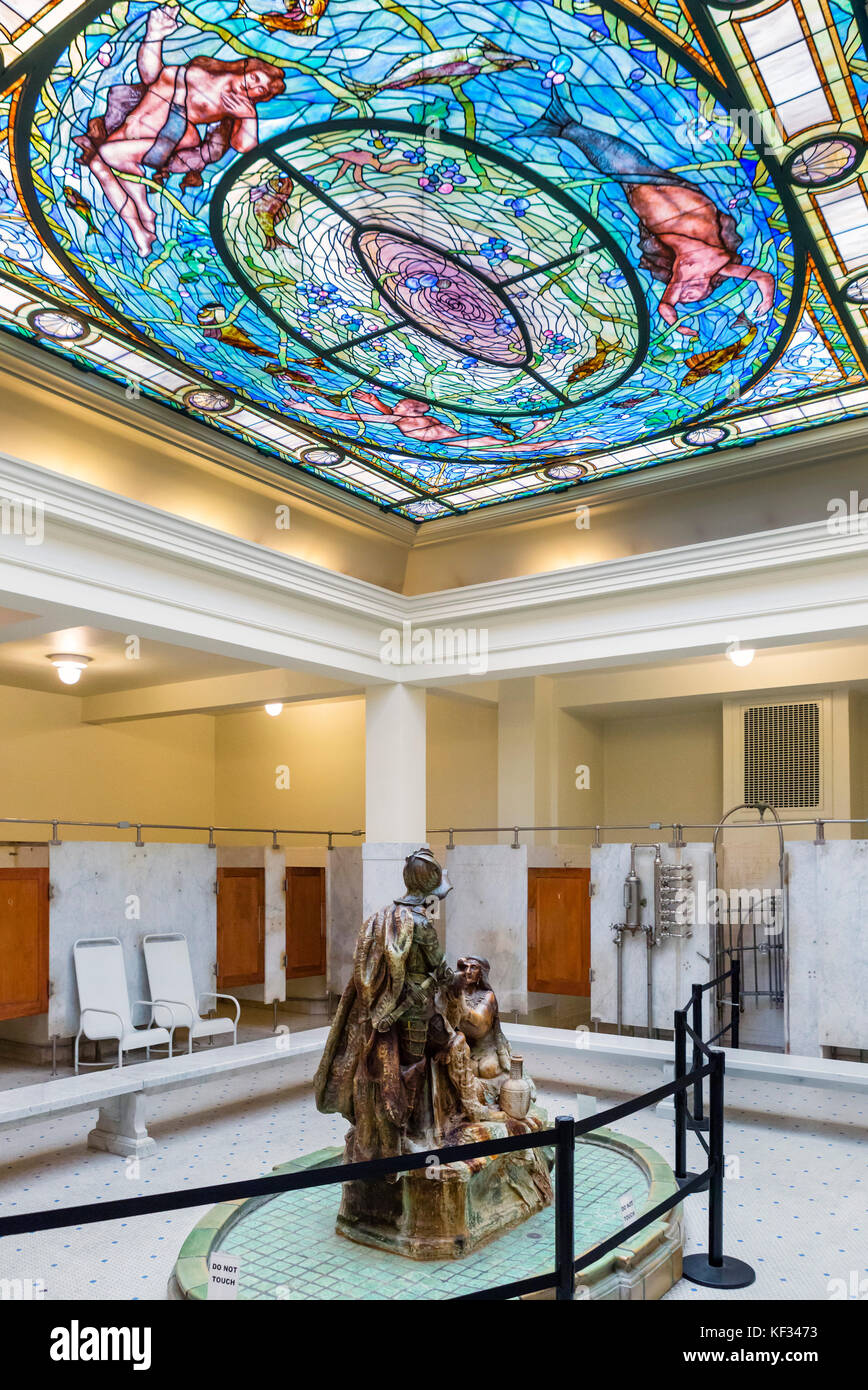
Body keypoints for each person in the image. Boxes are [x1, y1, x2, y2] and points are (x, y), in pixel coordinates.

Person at [73, 5, 284, 256]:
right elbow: (153, 76)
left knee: (108, 155)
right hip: (145, 114)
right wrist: (155, 34)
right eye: (257, 78)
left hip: (175, 129)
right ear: (248, 67)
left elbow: (244, 146)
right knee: (100, 165)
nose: (254, 86)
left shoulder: (240, 105)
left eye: (261, 90)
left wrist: (248, 116)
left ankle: (143, 213)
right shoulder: (209, 67)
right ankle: (141, 226)